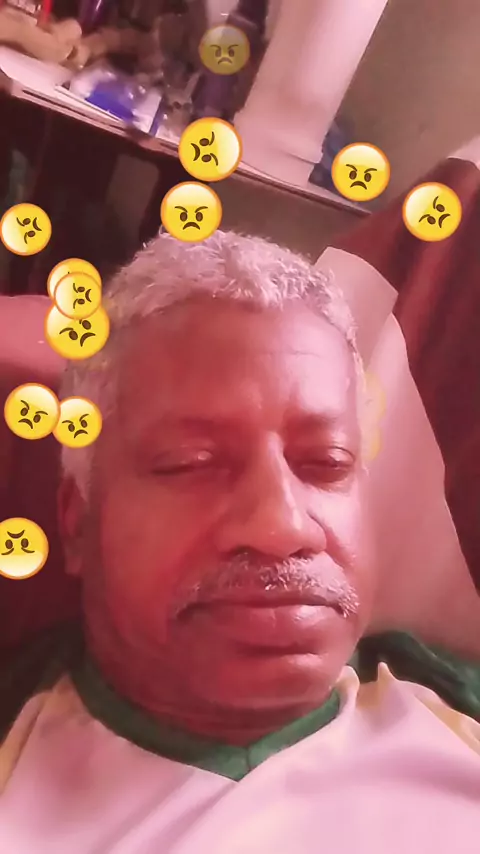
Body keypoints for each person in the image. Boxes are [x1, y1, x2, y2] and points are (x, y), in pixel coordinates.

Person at [1, 230, 480, 853]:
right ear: (77, 524)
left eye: (327, 462)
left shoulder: (455, 714)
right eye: (191, 462)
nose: (282, 527)